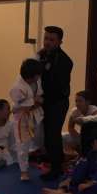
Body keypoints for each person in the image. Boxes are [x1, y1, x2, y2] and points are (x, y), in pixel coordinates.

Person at [37, 26, 74, 181]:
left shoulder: (65, 61)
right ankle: (52, 161)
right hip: (44, 102)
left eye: (52, 40)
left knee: (53, 135)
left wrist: (43, 98)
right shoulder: (41, 55)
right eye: (46, 38)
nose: (47, 42)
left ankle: (56, 169)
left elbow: (57, 86)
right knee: (46, 134)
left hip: (57, 102)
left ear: (59, 42)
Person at [11, 58, 45, 182]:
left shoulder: (36, 80)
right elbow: (23, 106)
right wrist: (35, 102)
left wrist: (35, 102)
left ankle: (38, 157)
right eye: (37, 75)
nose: (39, 77)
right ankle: (24, 171)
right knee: (23, 144)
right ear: (31, 76)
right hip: (22, 118)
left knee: (40, 139)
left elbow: (40, 98)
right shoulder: (17, 87)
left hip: (35, 114)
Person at [63, 91, 97, 157]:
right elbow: (70, 127)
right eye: (76, 101)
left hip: (93, 137)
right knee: (63, 137)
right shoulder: (75, 111)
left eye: (80, 101)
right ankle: (72, 156)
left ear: (88, 102)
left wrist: (82, 120)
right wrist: (78, 137)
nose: (77, 104)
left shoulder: (94, 110)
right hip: (82, 135)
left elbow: (96, 128)